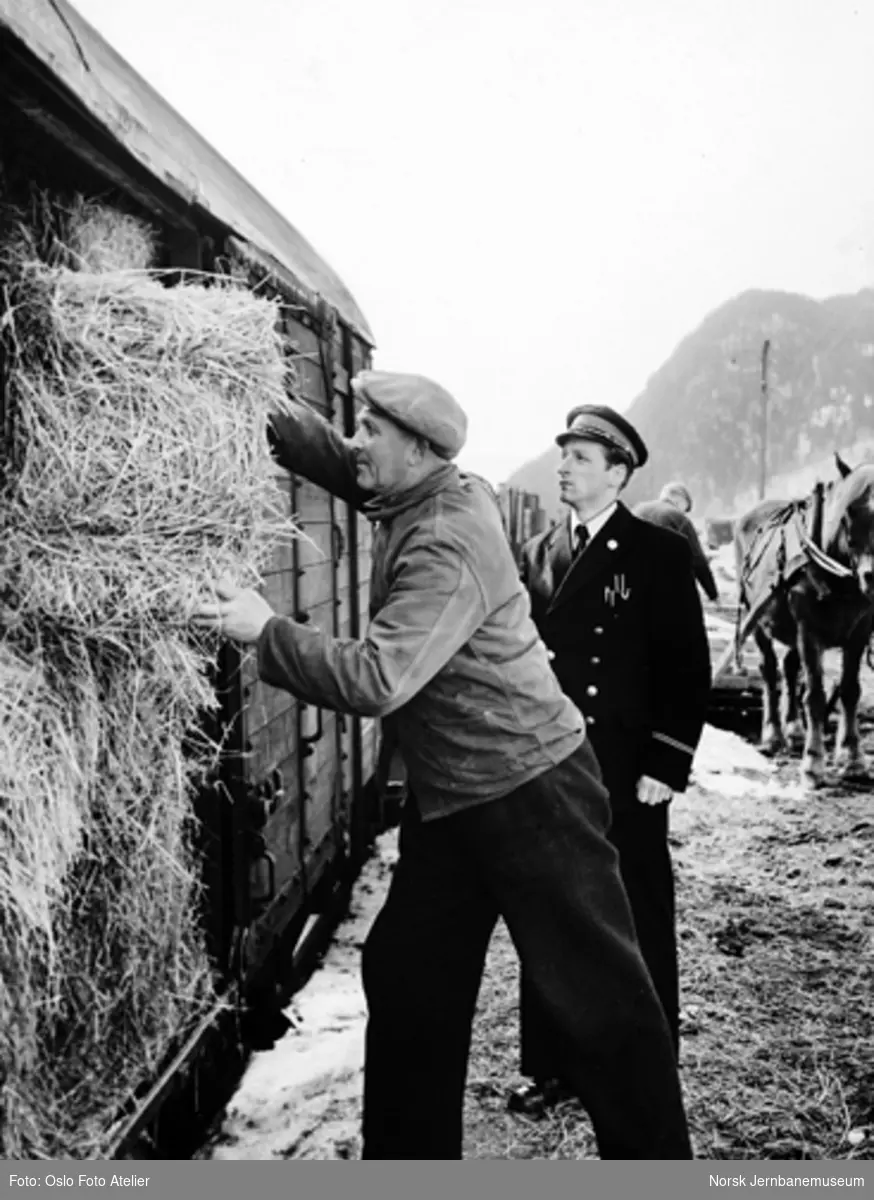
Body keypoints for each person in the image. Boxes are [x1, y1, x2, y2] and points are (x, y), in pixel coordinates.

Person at [192, 371, 693, 1161]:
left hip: (534, 792)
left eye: (373, 430)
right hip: (453, 796)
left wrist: (266, 632)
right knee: (409, 979)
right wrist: (253, 399)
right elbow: (349, 463)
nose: (358, 441)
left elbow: (378, 677)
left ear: (419, 450)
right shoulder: (417, 488)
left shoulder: (447, 537)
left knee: (600, 1004)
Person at [508, 405, 712, 1117]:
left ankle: (648, 1059)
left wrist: (668, 761)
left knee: (637, 909)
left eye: (582, 458)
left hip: (626, 767)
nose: (564, 466)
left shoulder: (655, 554)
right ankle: (551, 1063)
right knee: (548, 907)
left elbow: (687, 668)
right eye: (563, 454)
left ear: (619, 474)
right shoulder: (534, 553)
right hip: (551, 764)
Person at [634, 482, 720, 602]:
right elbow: (698, 561)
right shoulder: (678, 517)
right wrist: (713, 595)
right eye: (685, 510)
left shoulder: (638, 509)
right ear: (680, 502)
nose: (684, 513)